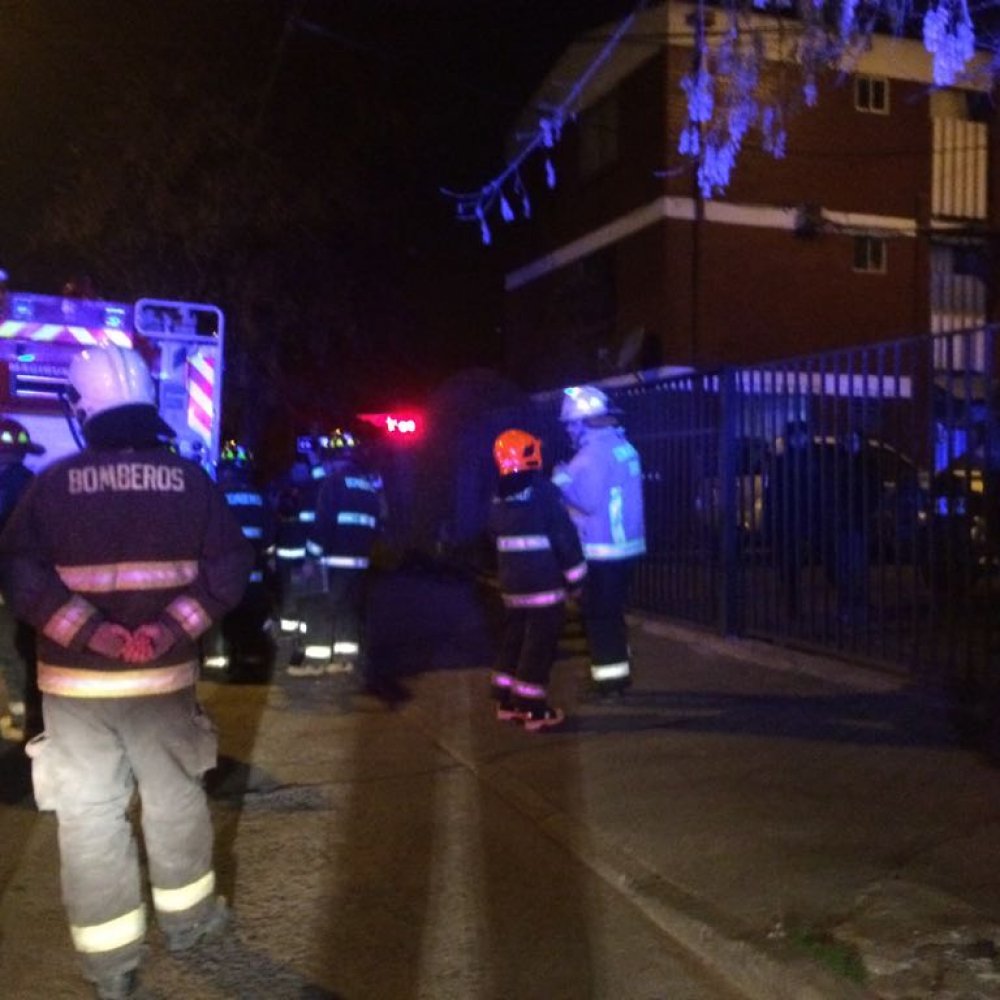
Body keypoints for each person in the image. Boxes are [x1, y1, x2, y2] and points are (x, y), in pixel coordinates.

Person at [0, 344, 253, 1000]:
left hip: (76, 690)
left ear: (85, 411)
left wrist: (92, 632)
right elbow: (229, 568)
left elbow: (19, 573)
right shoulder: (190, 482)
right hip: (162, 683)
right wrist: (169, 629)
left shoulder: (51, 485)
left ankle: (110, 963)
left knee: (89, 815)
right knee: (174, 799)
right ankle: (190, 923)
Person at [551, 385, 646, 697]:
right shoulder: (622, 445)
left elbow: (588, 502)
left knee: (599, 617)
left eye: (570, 423)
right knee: (612, 612)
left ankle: (609, 682)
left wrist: (561, 479)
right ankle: (620, 666)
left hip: (602, 550)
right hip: (627, 547)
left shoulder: (591, 455)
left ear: (583, 421)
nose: (567, 430)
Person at [489, 428, 586, 730]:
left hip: (512, 585)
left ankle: (505, 700)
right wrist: (577, 577)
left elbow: (493, 535)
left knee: (514, 640)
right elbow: (564, 539)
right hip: (543, 585)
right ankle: (531, 710)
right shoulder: (544, 491)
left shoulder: (498, 495)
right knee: (538, 646)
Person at [297, 428, 384, 680]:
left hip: (330, 560)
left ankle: (315, 662)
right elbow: (376, 524)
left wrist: (310, 557)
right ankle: (345, 660)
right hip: (359, 563)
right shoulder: (368, 486)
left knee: (318, 607)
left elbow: (323, 524)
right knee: (349, 611)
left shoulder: (333, 483)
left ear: (333, 459)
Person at [202, 439, 276, 682]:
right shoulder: (260, 498)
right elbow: (269, 538)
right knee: (250, 623)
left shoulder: (214, 495)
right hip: (253, 579)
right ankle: (249, 664)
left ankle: (217, 664)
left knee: (220, 622)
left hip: (221, 579)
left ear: (224, 469)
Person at [0, 418, 44, 741]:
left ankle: (21, 717)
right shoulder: (35, 484)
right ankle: (28, 716)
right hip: (31, 586)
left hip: (8, 587)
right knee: (25, 649)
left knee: (12, 649)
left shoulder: (10, 486)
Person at [763, 420, 827, 618]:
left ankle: (798, 604)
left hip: (806, 517)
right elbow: (772, 493)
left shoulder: (814, 461)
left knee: (807, 562)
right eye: (795, 436)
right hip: (788, 519)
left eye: (802, 435)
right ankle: (792, 605)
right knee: (788, 564)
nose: (799, 440)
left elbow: (819, 491)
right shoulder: (782, 463)